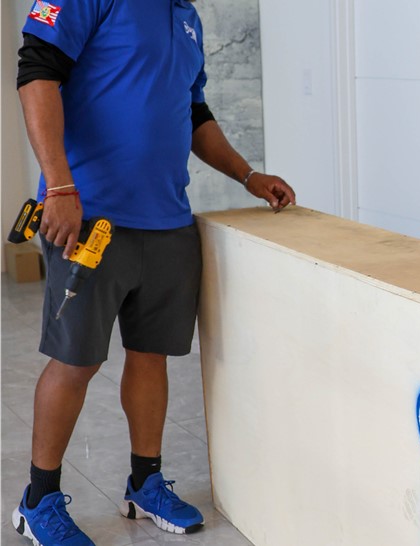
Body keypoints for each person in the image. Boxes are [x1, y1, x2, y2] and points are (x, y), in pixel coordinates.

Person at [10, 1, 296, 544]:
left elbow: (194, 114)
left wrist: (248, 175)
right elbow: (36, 73)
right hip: (89, 218)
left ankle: (145, 484)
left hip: (167, 220)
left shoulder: (187, 16)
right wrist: (60, 186)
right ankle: (37, 500)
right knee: (75, 361)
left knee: (151, 356)